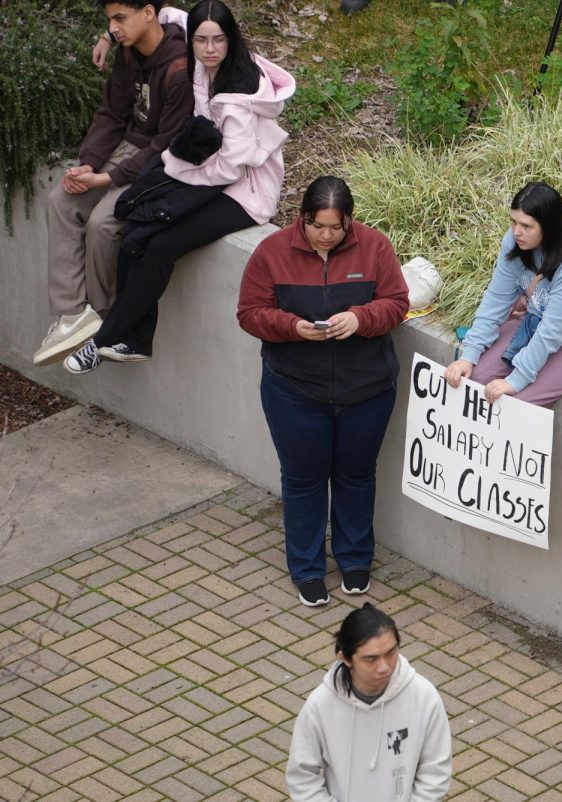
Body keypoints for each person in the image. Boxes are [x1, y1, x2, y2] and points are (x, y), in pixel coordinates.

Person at [65, 0, 295, 373]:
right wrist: (109, 36)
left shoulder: (238, 94)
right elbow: (168, 13)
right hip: (202, 165)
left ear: (230, 39)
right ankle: (135, 340)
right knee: (135, 231)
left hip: (243, 191)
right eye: (201, 40)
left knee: (161, 245)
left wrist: (172, 169)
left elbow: (230, 169)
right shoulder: (199, 46)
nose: (208, 49)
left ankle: (103, 339)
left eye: (218, 40)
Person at [237, 177, 409, 607]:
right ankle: (308, 569)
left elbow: (397, 302)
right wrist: (292, 328)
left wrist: (360, 317)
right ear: (303, 218)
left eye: (336, 227)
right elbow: (250, 313)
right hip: (294, 390)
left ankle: (354, 562)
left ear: (349, 221)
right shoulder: (271, 252)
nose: (327, 235)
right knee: (303, 480)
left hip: (367, 389)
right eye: (318, 226)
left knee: (356, 474)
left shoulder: (376, 247)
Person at [33, 0, 193, 367]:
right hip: (122, 151)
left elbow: (165, 145)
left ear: (149, 13)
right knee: (61, 200)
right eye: (110, 21)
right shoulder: (127, 52)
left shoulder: (179, 69)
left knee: (103, 223)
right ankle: (72, 314)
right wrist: (87, 163)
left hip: (158, 166)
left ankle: (102, 319)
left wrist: (107, 177)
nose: (113, 28)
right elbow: (112, 114)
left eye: (120, 19)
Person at [443, 181, 562, 414]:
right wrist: (470, 354)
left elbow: (555, 329)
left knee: (514, 405)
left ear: (550, 227)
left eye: (526, 225)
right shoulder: (517, 240)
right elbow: (497, 299)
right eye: (513, 221)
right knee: (476, 379)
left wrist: (516, 379)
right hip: (537, 319)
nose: (516, 231)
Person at [287, 603, 452, 802]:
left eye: (391, 653)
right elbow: (303, 777)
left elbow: (436, 770)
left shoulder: (424, 697)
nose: (384, 667)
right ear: (345, 659)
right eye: (370, 659)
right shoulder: (320, 706)